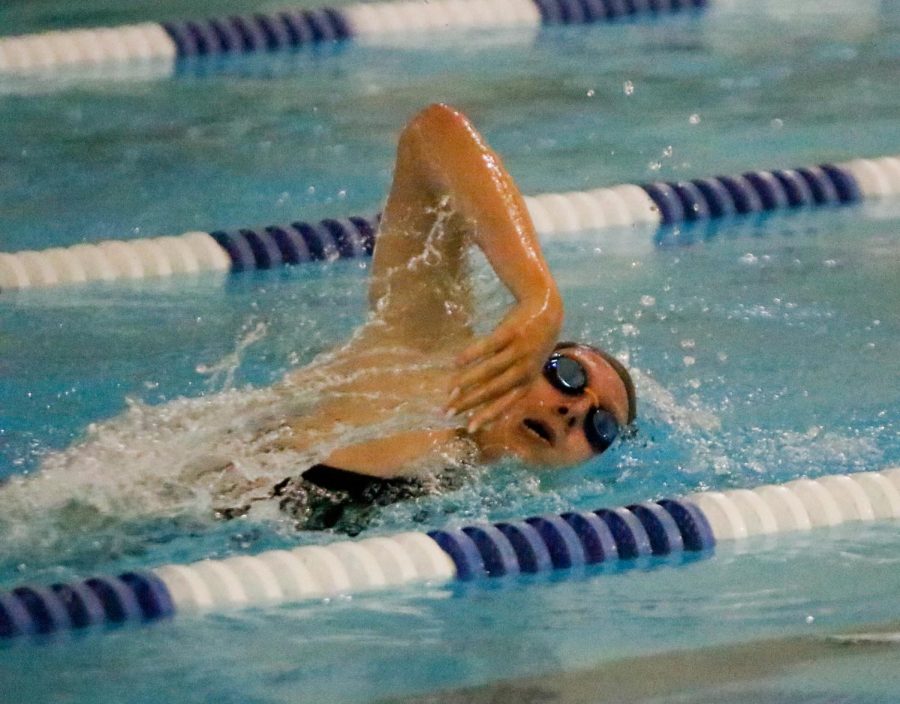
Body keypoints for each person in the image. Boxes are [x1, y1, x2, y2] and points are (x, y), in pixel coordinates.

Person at [217, 104, 636, 531]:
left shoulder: (476, 502)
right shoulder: (426, 357)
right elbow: (433, 133)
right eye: (568, 374)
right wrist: (540, 298)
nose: (576, 409)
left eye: (600, 425)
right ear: (521, 351)